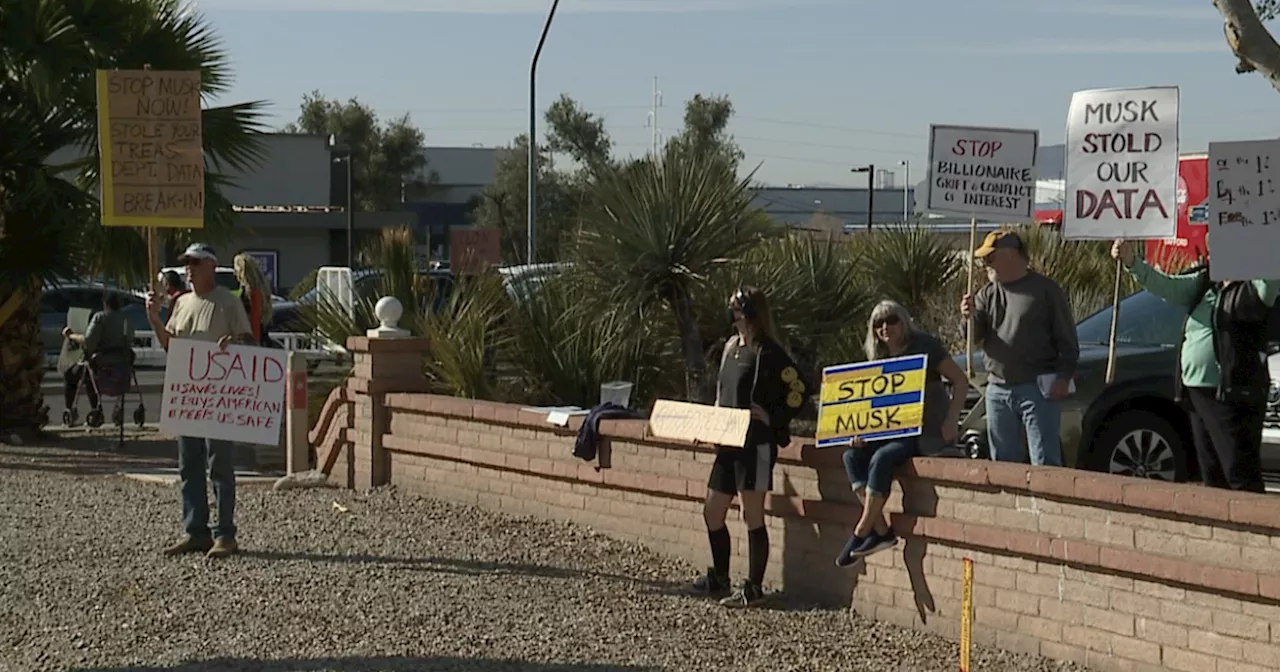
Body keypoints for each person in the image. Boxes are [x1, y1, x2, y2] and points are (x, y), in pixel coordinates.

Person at [1113, 238, 1278, 492]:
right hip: (1196, 393)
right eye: (1212, 250)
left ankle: (1253, 529)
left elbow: (1270, 278)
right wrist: (1132, 263)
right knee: (1212, 473)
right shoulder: (1204, 285)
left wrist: (1262, 239)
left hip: (1231, 394)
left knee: (1239, 473)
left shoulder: (1253, 290)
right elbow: (1167, 287)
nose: (1214, 256)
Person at [687, 286, 810, 608]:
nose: (732, 315)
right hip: (728, 441)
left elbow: (799, 389)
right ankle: (720, 576)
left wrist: (774, 417)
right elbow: (721, 390)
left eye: (737, 308)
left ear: (750, 312)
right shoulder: (731, 347)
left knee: (751, 514)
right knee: (712, 510)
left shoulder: (768, 352)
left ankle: (754, 587)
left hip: (755, 443)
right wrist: (711, 423)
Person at [836, 300, 969, 565]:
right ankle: (882, 531)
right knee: (852, 456)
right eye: (879, 324)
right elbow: (870, 405)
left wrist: (952, 419)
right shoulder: (879, 357)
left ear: (904, 321)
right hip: (889, 430)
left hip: (924, 431)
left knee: (883, 458)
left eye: (892, 320)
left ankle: (861, 531)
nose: (886, 327)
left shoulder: (925, 346)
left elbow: (960, 380)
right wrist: (859, 431)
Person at [146, 243, 255, 558]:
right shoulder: (182, 304)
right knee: (189, 464)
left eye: (195, 263)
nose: (189, 270)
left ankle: (226, 534)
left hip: (218, 398)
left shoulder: (228, 303)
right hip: (189, 396)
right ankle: (195, 531)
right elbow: (171, 345)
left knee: (219, 464)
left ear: (211, 266)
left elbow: (247, 342)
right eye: (186, 264)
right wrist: (154, 319)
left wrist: (233, 343)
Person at [960, 230, 1078, 467]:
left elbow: (1067, 339)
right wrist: (967, 317)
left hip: (1037, 389)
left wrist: (1064, 376)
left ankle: (1046, 504)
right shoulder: (987, 294)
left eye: (990, 258)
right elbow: (972, 336)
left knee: (1044, 461)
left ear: (1011, 254)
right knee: (1003, 464)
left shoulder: (1046, 290)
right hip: (997, 390)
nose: (985, 264)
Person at [62, 291, 135, 417]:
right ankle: (100, 408)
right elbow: (130, 339)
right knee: (90, 374)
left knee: (72, 376)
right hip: (123, 361)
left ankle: (73, 409)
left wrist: (71, 336)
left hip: (102, 361)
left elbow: (88, 342)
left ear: (105, 304)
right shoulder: (127, 318)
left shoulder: (100, 317)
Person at [232, 253, 273, 346]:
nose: (235, 274)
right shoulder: (263, 289)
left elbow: (255, 319)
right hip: (262, 337)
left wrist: (254, 344)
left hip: (251, 340)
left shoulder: (251, 292)